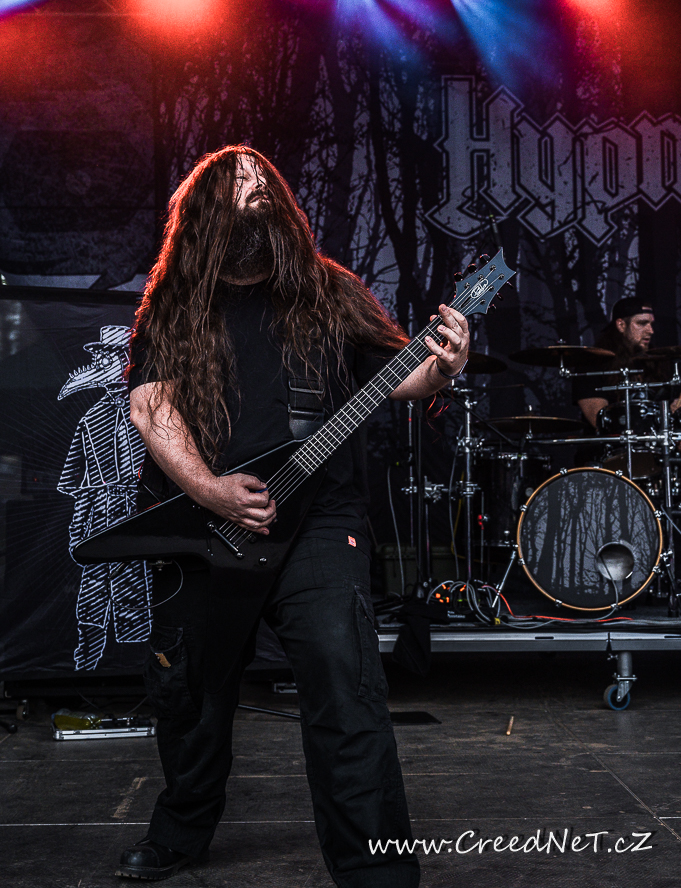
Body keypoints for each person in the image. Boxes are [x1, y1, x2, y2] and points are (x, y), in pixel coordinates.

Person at [118, 145, 469, 885]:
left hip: (318, 520)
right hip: (208, 528)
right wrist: (209, 489)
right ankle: (181, 830)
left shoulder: (327, 290)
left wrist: (442, 366)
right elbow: (152, 407)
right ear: (204, 213)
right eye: (236, 186)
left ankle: (377, 872)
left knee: (346, 689)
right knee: (192, 698)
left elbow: (397, 375)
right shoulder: (175, 299)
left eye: (262, 184)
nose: (254, 193)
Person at [573, 297, 655, 429]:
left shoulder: (653, 360)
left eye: (651, 324)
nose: (650, 331)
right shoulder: (592, 362)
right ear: (621, 325)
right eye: (642, 323)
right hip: (612, 440)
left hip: (655, 439)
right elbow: (600, 421)